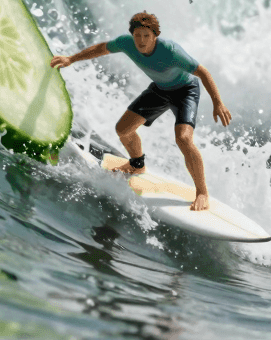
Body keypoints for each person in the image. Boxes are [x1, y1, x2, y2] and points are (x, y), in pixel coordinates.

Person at [50, 11, 231, 211]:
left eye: (146, 36)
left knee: (183, 138)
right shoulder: (126, 43)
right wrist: (70, 59)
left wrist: (218, 103)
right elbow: (102, 48)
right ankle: (137, 164)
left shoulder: (171, 52)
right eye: (138, 35)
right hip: (160, 90)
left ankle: (202, 192)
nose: (141, 41)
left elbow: (203, 72)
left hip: (185, 91)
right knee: (123, 129)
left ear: (155, 36)